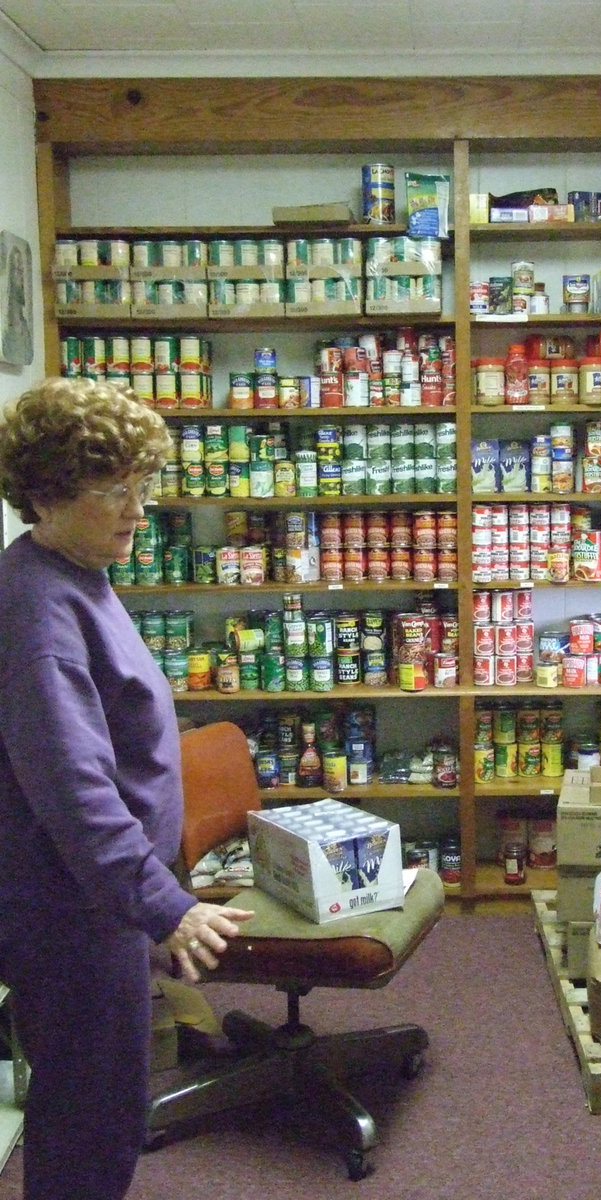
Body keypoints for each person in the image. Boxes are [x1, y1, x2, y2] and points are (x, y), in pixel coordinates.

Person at [0, 377, 254, 1200]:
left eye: (141, 487)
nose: (138, 512)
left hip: (95, 899)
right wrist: (162, 903)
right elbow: (74, 788)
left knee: (99, 1100)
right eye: (113, 491)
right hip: (70, 908)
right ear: (46, 494)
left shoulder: (73, 574)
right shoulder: (40, 612)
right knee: (90, 1113)